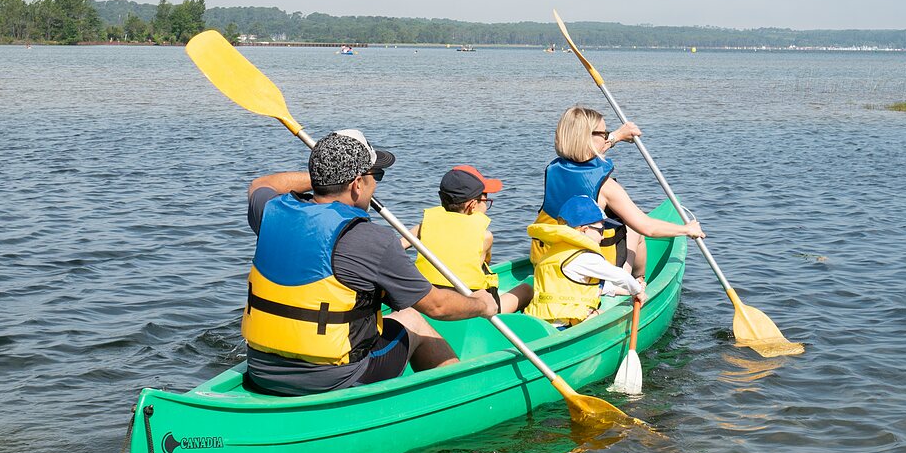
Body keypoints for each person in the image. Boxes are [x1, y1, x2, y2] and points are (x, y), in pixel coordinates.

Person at [243, 129, 497, 395]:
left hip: (262, 370)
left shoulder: (269, 211)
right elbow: (438, 306)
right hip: (332, 378)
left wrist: (325, 178)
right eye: (375, 176)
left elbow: (262, 183)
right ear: (357, 184)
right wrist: (482, 304)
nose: (375, 184)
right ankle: (456, 396)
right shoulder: (372, 239)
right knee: (412, 318)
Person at [532, 105, 704, 279]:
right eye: (604, 133)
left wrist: (618, 136)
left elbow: (587, 151)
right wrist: (687, 229)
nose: (607, 136)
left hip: (548, 259)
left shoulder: (553, 170)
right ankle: (638, 281)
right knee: (633, 228)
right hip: (591, 272)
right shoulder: (607, 187)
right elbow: (648, 227)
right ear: (588, 138)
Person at [405, 165, 533, 315]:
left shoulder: (423, 226)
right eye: (486, 199)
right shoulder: (485, 236)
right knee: (527, 289)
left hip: (428, 300)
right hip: (471, 306)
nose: (487, 204)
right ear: (472, 205)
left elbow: (398, 246)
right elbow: (477, 269)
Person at [525, 195, 647, 328]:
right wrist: (637, 291)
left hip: (540, 322)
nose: (602, 236)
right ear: (584, 230)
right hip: (566, 324)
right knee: (602, 313)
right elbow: (621, 276)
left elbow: (579, 286)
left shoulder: (555, 253)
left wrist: (623, 290)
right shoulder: (585, 257)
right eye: (601, 231)